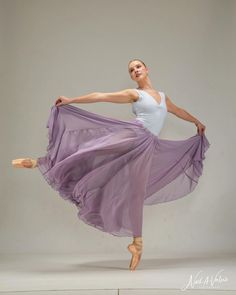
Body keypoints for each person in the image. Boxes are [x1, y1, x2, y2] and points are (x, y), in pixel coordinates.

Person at [12, 59, 210, 271]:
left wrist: (196, 122)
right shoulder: (135, 95)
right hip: (133, 135)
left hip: (147, 147)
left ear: (147, 69)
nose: (135, 71)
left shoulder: (162, 97)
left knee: (136, 192)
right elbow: (101, 96)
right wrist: (72, 100)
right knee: (91, 151)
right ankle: (40, 162)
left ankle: (137, 244)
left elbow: (178, 110)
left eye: (138, 67)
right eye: (131, 70)